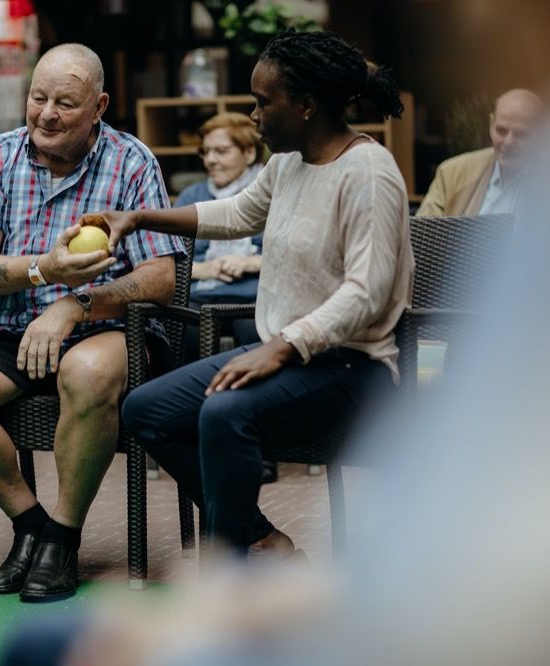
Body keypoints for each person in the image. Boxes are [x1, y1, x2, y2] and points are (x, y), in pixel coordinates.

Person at [94, 30, 413, 557]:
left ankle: (233, 570)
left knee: (224, 413)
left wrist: (282, 346)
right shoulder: (288, 162)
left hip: (352, 368)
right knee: (146, 410)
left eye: (263, 102)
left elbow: (368, 293)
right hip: (286, 358)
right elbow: (238, 213)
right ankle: (260, 540)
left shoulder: (369, 173)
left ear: (307, 105)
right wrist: (140, 216)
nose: (254, 114)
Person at [0, 43, 184, 603]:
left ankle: (63, 536)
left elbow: (163, 278)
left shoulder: (133, 162)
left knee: (84, 372)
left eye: (65, 102)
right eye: (38, 98)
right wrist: (45, 271)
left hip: (107, 333)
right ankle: (32, 526)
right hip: (10, 331)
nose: (46, 114)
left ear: (99, 106)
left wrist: (76, 303)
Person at [175, 112, 281, 483]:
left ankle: (261, 450)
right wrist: (204, 269)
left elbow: (291, 253)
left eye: (222, 151)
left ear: (249, 153)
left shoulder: (271, 190)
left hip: (251, 295)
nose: (211, 160)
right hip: (202, 295)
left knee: (256, 334)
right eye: (206, 152)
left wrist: (250, 261)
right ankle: (191, 444)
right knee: (177, 332)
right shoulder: (192, 195)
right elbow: (177, 259)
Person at [416, 88, 543, 217]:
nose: (508, 142)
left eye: (521, 134)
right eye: (501, 131)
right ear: (491, 125)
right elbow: (421, 233)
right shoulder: (452, 174)